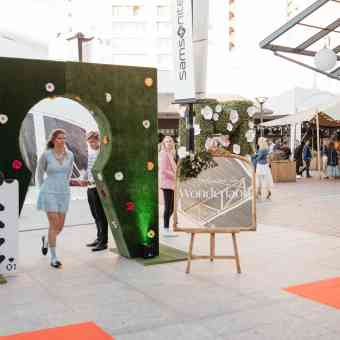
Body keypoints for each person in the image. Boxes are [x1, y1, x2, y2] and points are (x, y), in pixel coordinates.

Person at [37, 129, 74, 268]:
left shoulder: (70, 155)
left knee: (60, 226)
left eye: (64, 138)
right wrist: (42, 189)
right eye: (59, 138)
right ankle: (53, 257)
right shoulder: (46, 155)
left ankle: (46, 240)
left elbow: (69, 173)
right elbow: (39, 173)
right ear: (53, 140)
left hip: (64, 192)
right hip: (49, 192)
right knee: (54, 224)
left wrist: (65, 185)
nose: (62, 140)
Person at [84, 131, 108, 251]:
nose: (91, 144)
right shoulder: (91, 152)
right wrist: (84, 179)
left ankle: (103, 242)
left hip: (98, 188)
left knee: (101, 215)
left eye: (93, 141)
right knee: (95, 215)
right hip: (90, 187)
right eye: (89, 142)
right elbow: (89, 169)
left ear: (98, 140)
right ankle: (99, 238)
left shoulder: (101, 153)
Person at [159, 136, 177, 236]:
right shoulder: (163, 154)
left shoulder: (170, 154)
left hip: (171, 183)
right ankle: (165, 228)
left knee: (172, 208)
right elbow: (163, 170)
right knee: (168, 207)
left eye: (170, 141)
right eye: (166, 142)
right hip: (166, 183)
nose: (169, 143)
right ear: (163, 144)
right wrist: (175, 176)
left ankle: (165, 226)